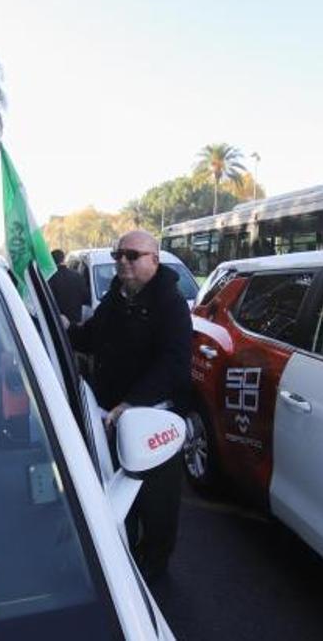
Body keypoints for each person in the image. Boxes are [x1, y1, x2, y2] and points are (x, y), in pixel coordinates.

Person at [66, 230, 192, 580]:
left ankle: (153, 570)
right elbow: (91, 337)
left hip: (154, 420)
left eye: (132, 255)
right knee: (122, 494)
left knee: (157, 501)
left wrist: (133, 402)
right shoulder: (116, 298)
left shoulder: (170, 303)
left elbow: (175, 364)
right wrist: (63, 328)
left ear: (154, 259)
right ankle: (125, 560)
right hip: (111, 416)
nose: (122, 260)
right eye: (118, 254)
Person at [48, 249, 88, 325]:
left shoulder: (50, 278)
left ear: (52, 261)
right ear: (63, 259)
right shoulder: (78, 276)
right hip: (76, 323)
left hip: (59, 325)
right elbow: (85, 298)